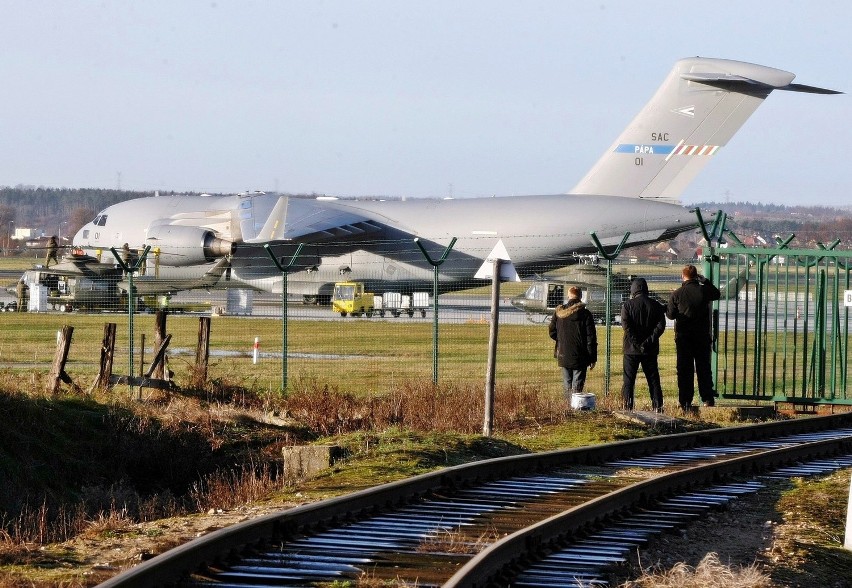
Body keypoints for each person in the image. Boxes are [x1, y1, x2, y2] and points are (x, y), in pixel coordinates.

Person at [666, 264, 721, 410]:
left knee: (685, 370)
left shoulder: (677, 294)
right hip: (702, 336)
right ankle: (707, 398)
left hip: (684, 337)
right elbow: (717, 294)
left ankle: (685, 400)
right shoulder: (703, 291)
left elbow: (670, 315)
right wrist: (706, 281)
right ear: (696, 276)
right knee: (703, 368)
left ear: (682, 276)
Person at [620, 277, 666, 411]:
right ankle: (658, 407)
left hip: (631, 349)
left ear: (633, 290)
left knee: (628, 381)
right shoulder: (656, 305)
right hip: (650, 349)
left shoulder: (627, 305)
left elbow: (626, 327)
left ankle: (627, 407)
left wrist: (636, 342)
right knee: (653, 380)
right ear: (646, 289)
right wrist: (648, 341)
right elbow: (660, 326)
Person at [549, 285, 598, 402]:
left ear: (568, 296)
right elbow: (590, 338)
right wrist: (592, 357)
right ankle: (576, 406)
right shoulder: (586, 314)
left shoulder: (559, 313)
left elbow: (552, 332)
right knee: (578, 384)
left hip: (563, 353)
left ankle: (566, 405)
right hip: (581, 355)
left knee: (567, 383)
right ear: (580, 297)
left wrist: (561, 340)